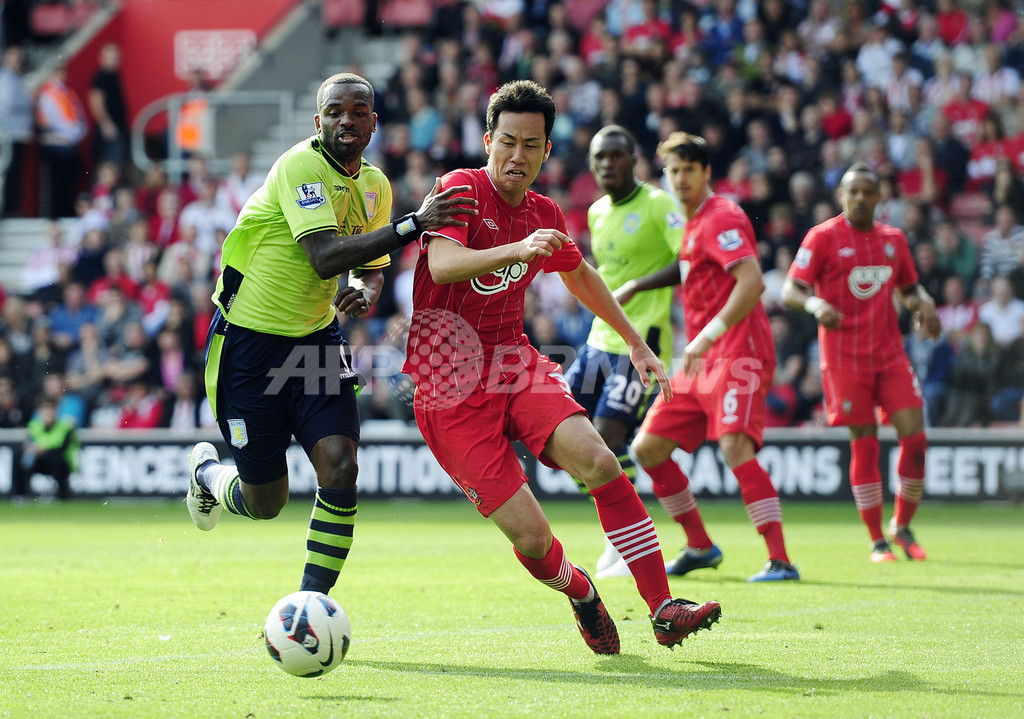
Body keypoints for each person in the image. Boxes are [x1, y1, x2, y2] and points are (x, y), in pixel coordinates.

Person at [403, 80, 721, 655]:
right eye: (507, 142)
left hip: (513, 364)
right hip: (446, 387)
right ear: (487, 141)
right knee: (532, 538)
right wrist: (518, 251)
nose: (517, 156)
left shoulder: (544, 212)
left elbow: (580, 276)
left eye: (531, 145)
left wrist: (636, 343)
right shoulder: (459, 191)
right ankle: (581, 592)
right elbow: (446, 264)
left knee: (601, 460)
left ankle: (664, 608)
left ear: (547, 151)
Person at [185, 72, 476, 599]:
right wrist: (414, 224)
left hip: (316, 342)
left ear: (373, 123)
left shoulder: (375, 185)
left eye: (358, 112)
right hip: (248, 345)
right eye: (336, 112)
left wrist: (364, 288)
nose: (347, 120)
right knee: (265, 501)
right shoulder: (301, 166)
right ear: (318, 121)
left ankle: (310, 605)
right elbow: (322, 257)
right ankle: (208, 476)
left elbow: (369, 265)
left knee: (341, 463)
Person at [627, 131, 799, 583]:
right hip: (703, 358)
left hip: (737, 349)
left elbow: (752, 282)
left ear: (706, 172)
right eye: (673, 170)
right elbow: (688, 275)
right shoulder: (693, 224)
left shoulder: (722, 216)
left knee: (734, 446)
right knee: (647, 448)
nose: (680, 178)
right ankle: (700, 546)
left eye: (688, 169)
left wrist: (707, 336)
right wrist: (637, 286)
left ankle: (780, 560)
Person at [782, 163, 942, 562]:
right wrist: (816, 303)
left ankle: (902, 526)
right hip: (843, 358)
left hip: (889, 353)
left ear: (879, 197)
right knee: (865, 443)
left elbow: (907, 288)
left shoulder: (893, 240)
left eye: (867, 192)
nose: (859, 198)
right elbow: (790, 290)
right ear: (842, 196)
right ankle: (876, 540)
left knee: (916, 439)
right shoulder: (822, 237)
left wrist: (923, 302)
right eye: (852, 191)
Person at [561, 124, 684, 579]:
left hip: (642, 343)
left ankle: (625, 540)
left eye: (616, 156)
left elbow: (687, 261)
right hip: (597, 341)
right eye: (599, 158)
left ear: (633, 159)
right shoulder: (596, 212)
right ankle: (628, 527)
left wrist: (638, 285)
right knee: (559, 441)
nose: (607, 165)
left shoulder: (658, 204)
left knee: (608, 438)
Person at [36, 63, 88, 218]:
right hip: (56, 144)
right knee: (56, 185)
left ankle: (66, 213)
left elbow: (79, 116)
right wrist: (72, 133)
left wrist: (78, 133)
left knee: (69, 184)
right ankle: (55, 216)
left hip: (70, 145)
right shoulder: (47, 94)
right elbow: (50, 120)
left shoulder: (68, 93)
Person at [15, 398, 80, 500]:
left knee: (56, 460)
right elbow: (29, 442)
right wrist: (30, 448)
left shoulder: (65, 426)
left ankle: (63, 496)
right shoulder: (34, 425)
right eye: (45, 410)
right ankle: (21, 495)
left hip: (61, 461)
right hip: (40, 459)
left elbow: (62, 448)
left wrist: (43, 449)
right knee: (21, 458)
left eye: (51, 410)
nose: (48, 413)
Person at [0, 45, 33, 217]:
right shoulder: (5, 79)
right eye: (15, 55)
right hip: (9, 135)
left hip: (19, 134)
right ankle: (8, 210)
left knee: (16, 175)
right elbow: (7, 107)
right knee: (9, 174)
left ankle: (13, 208)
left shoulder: (18, 79)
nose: (18, 59)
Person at [88, 42, 129, 171]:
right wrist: (106, 124)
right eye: (111, 56)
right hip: (111, 131)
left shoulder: (114, 76)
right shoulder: (102, 76)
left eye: (117, 56)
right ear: (102, 57)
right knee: (110, 167)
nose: (115, 59)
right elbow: (95, 101)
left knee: (118, 166)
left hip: (117, 128)